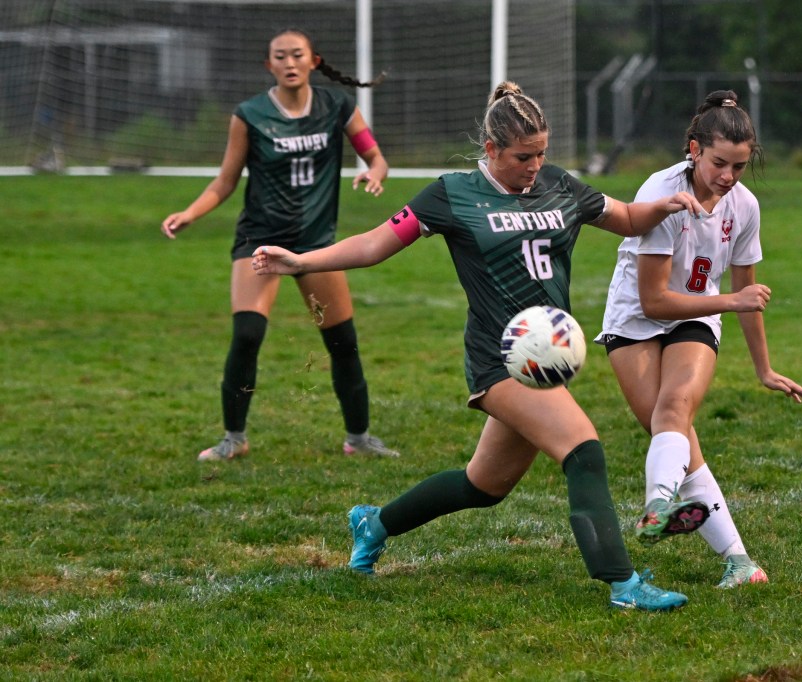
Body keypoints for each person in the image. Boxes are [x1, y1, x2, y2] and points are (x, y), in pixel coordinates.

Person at [252, 81, 713, 611]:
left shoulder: (560, 184)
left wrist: (667, 205)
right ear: (491, 150)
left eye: (542, 152)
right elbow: (375, 244)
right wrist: (302, 261)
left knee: (484, 486)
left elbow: (628, 218)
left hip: (545, 361)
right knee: (584, 450)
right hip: (501, 361)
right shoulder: (452, 194)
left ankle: (374, 523)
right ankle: (623, 583)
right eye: (523, 156)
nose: (535, 165)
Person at [597, 90, 802, 589]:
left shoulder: (745, 206)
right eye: (719, 163)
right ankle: (741, 563)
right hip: (635, 318)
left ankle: (657, 507)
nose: (728, 176)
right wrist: (731, 301)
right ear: (693, 149)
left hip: (695, 318)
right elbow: (654, 302)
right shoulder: (662, 191)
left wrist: (764, 369)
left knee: (674, 410)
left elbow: (746, 292)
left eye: (739, 166)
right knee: (674, 435)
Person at [161, 29, 398, 461]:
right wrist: (190, 213)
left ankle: (359, 439)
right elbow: (225, 180)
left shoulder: (337, 105)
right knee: (247, 334)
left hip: (316, 245)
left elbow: (376, 157)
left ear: (313, 61)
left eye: (297, 55)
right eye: (280, 57)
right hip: (260, 241)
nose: (289, 62)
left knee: (342, 341)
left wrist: (375, 173)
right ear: (268, 65)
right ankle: (234, 438)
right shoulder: (249, 115)